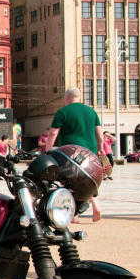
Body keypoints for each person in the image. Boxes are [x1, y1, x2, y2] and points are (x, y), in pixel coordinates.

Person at [46, 87, 103, 221]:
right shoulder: (91, 111)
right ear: (79, 97)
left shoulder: (63, 112)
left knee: (70, 183)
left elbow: (53, 132)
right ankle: (95, 208)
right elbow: (99, 131)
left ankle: (73, 215)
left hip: (71, 154)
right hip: (90, 154)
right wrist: (100, 147)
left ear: (66, 98)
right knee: (89, 180)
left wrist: (48, 151)